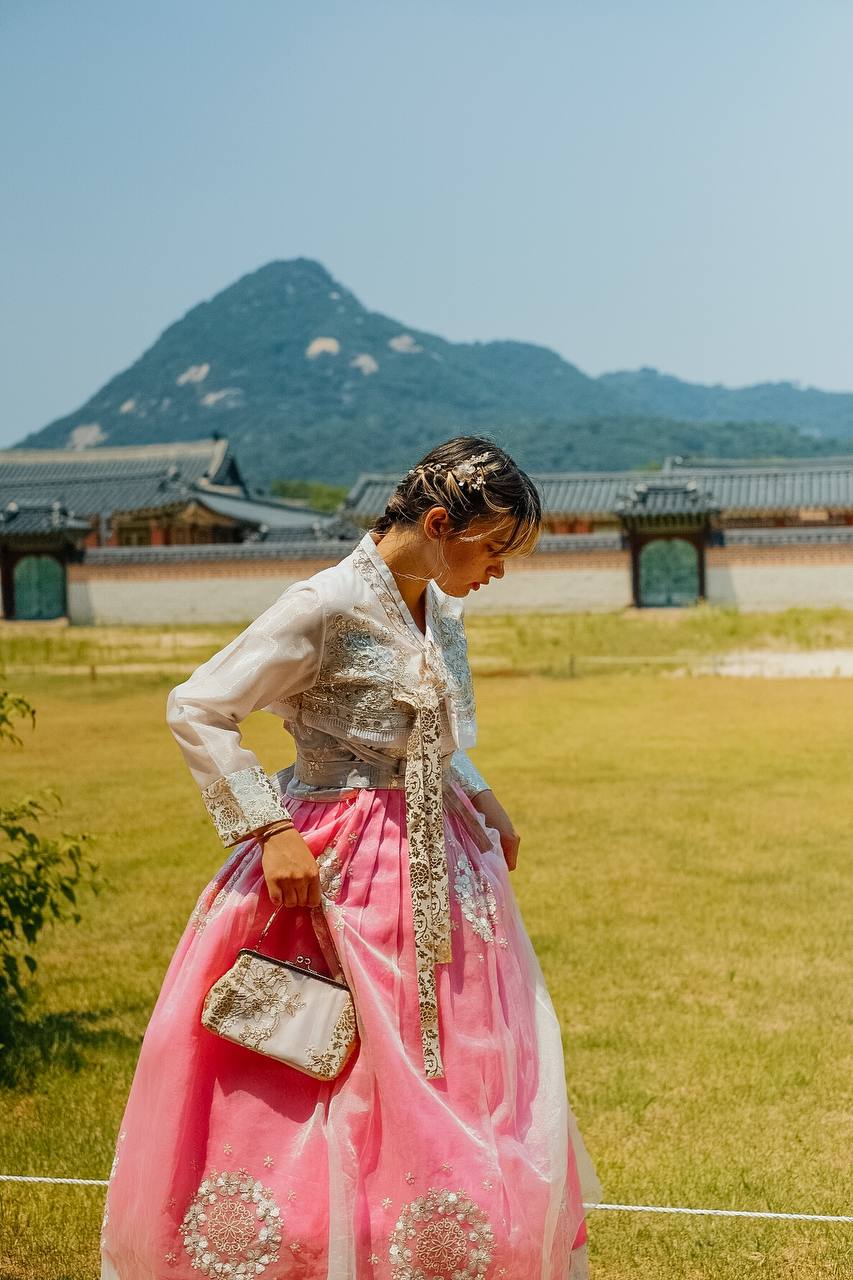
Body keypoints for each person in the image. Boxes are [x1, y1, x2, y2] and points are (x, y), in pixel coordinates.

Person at [99, 435, 602, 1280]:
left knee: (453, 1052)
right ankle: (311, 1244)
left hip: (440, 860)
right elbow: (199, 706)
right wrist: (269, 831)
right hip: (333, 864)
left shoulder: (438, 608)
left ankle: (443, 1235)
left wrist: (479, 793)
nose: (498, 571)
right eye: (493, 550)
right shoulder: (323, 605)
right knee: (324, 1052)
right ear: (438, 525)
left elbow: (422, 736)